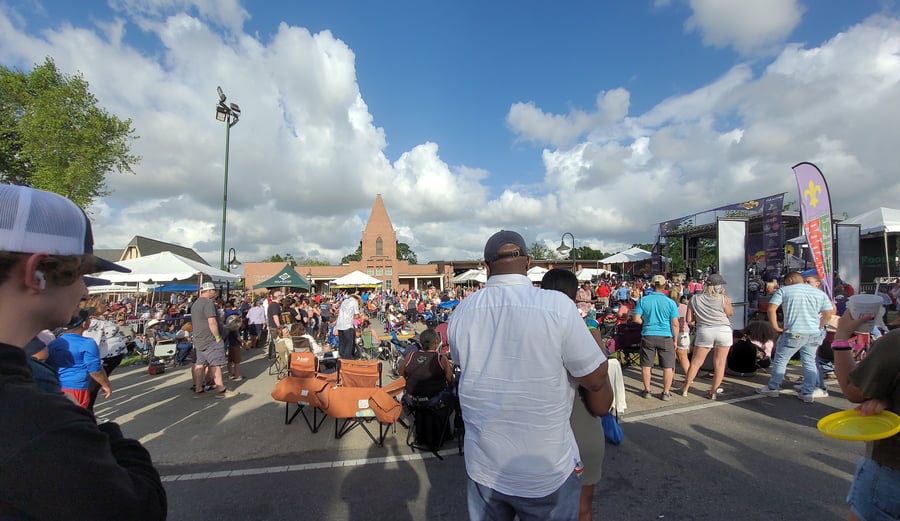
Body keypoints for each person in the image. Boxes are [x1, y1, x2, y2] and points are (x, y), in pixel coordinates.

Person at [0, 184, 166, 519]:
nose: (85, 289)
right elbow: (139, 506)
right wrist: (104, 431)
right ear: (36, 274)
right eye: (82, 274)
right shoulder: (37, 420)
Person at [448, 230, 612, 521]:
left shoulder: (462, 311)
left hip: (484, 466)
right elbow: (596, 378)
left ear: (486, 267)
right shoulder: (558, 306)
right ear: (528, 262)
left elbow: (466, 366)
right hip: (546, 470)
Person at [541, 268, 608, 521]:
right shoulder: (584, 330)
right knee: (581, 510)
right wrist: (596, 340)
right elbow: (601, 404)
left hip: (538, 435)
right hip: (580, 430)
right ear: (574, 296)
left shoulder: (529, 334)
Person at [830, 310, 900, 520]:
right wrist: (889, 399)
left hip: (892, 468)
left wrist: (841, 337)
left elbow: (854, 390)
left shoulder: (895, 342)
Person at [757, 271, 834, 402]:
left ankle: (773, 388)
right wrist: (819, 326)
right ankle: (808, 392)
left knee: (781, 359)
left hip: (794, 331)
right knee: (809, 362)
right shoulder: (820, 293)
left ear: (790, 280)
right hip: (813, 333)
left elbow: (771, 309)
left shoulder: (784, 291)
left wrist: (776, 327)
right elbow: (828, 313)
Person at [679, 274, 734, 400]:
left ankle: (685, 388)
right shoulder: (723, 298)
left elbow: (689, 320)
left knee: (696, 362)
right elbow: (730, 313)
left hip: (705, 330)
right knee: (720, 364)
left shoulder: (695, 298)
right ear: (718, 286)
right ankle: (713, 391)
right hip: (723, 330)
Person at [46, 309, 112, 408]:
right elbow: (95, 370)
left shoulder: (55, 342)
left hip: (57, 387)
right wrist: (105, 384)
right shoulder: (87, 343)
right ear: (84, 323)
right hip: (76, 388)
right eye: (89, 318)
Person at [632, 274, 680, 400]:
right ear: (665, 285)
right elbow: (675, 323)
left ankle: (647, 390)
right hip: (665, 335)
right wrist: (675, 339)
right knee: (668, 366)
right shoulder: (670, 303)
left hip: (648, 334)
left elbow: (636, 319)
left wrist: (645, 322)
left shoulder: (644, 300)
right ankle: (666, 392)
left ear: (652, 285)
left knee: (646, 365)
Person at [191, 282, 235, 398]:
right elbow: (212, 321)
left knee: (199, 364)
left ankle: (199, 388)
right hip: (209, 338)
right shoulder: (208, 303)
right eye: (214, 290)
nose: (215, 292)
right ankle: (221, 389)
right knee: (216, 364)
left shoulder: (196, 303)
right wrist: (217, 337)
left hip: (198, 338)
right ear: (209, 291)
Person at [335, 291, 361, 359]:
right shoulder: (354, 302)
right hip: (347, 325)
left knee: (342, 342)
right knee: (349, 343)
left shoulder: (344, 301)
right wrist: (358, 316)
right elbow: (356, 315)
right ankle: (346, 359)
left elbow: (340, 312)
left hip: (340, 325)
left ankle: (341, 357)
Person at [266, 290, 284, 359]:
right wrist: (279, 326)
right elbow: (275, 316)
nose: (282, 297)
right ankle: (274, 356)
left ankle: (272, 356)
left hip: (273, 326)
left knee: (273, 342)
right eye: (281, 295)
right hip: (275, 327)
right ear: (278, 297)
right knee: (277, 342)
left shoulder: (274, 305)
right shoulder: (274, 305)